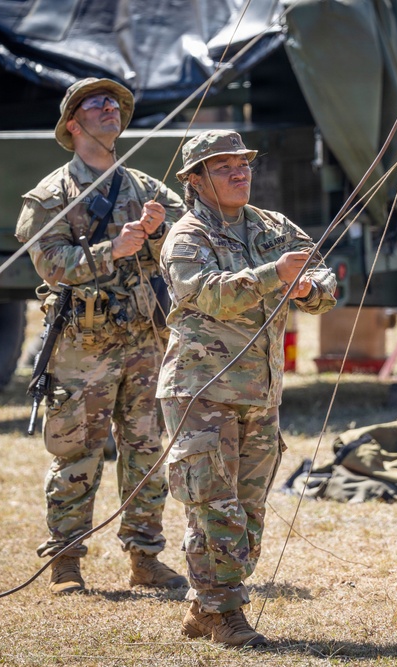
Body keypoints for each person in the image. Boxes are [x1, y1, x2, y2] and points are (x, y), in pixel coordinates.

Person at [156, 129, 337, 646]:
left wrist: (309, 287)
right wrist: (275, 276)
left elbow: (321, 274)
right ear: (194, 180)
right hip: (200, 391)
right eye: (223, 166)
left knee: (249, 507)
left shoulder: (272, 226)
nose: (239, 173)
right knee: (214, 504)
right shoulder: (187, 236)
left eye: (243, 163)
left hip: (261, 392)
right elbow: (208, 295)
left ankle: (204, 606)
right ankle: (223, 613)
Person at [14, 77, 188, 595]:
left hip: (144, 342)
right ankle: (66, 562)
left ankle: (145, 557)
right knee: (76, 455)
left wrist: (159, 231)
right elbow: (51, 265)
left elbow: (186, 251)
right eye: (97, 103)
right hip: (81, 348)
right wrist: (111, 250)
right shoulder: (52, 194)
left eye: (115, 102)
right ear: (73, 123)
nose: (110, 108)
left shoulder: (147, 188)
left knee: (147, 450)